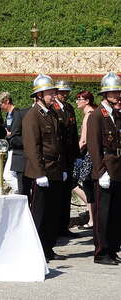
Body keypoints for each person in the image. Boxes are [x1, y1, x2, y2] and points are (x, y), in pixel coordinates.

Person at [22, 74, 67, 261]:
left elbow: (58, 142)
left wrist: (63, 167)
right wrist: (39, 173)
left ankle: (48, 248)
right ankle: (36, 250)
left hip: (55, 168)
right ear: (39, 95)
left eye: (53, 92)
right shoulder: (32, 116)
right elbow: (32, 147)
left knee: (52, 213)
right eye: (49, 93)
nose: (53, 96)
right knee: (39, 214)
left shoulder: (52, 114)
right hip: (41, 170)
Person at [87, 72, 121, 265]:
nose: (117, 95)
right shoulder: (97, 116)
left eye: (118, 91)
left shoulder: (116, 113)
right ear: (105, 93)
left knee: (116, 213)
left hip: (117, 168)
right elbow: (94, 146)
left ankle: (112, 249)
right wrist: (101, 172)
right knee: (103, 214)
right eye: (113, 92)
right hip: (105, 170)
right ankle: (101, 252)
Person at [53, 81, 80, 238]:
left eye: (66, 92)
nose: (65, 95)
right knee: (58, 193)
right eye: (62, 92)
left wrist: (76, 154)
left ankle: (64, 225)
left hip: (69, 156)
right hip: (59, 156)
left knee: (66, 193)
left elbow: (73, 132)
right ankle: (56, 226)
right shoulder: (53, 109)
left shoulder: (68, 108)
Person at [0, 91, 31, 196]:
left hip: (16, 148)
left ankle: (21, 191)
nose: (0, 107)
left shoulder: (17, 113)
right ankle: (19, 190)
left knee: (7, 175)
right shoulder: (8, 115)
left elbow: (16, 131)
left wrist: (9, 134)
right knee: (9, 174)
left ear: (7, 101)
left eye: (0, 104)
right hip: (11, 148)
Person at [76, 90, 97, 229]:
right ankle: (92, 218)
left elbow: (83, 140)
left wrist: (74, 153)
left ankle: (92, 219)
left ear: (87, 101)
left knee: (88, 188)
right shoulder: (92, 114)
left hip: (88, 156)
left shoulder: (88, 116)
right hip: (91, 155)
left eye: (79, 98)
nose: (77, 101)